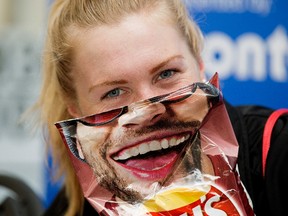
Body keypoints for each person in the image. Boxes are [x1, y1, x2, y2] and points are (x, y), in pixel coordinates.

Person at [34, 0, 288, 215]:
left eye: (167, 73)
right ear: (77, 112)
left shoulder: (276, 150)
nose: (148, 110)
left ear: (200, 67)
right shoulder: (75, 208)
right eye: (113, 92)